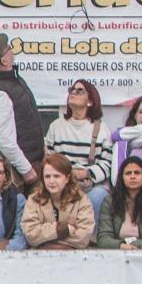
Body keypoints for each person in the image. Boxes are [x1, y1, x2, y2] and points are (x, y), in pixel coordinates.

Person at [0, 34, 42, 189]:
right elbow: (4, 140)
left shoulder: (8, 80)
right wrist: (26, 170)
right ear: (4, 61)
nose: (12, 51)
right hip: (13, 173)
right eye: (9, 49)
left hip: (23, 163)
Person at [44, 78, 113, 217]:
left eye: (79, 91)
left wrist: (85, 173)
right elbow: (48, 158)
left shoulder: (100, 129)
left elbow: (108, 164)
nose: (73, 93)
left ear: (90, 101)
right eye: (72, 90)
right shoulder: (56, 126)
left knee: (97, 197)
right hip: (61, 182)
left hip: (90, 185)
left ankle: (90, 238)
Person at [16, 154, 95, 250]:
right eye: (47, 176)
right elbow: (31, 235)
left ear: (67, 178)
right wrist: (61, 230)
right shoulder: (34, 199)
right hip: (40, 256)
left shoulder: (81, 200)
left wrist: (47, 239)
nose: (51, 181)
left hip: (73, 256)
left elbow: (83, 237)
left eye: (56, 176)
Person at [97, 156, 142, 250]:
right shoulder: (110, 202)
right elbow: (103, 239)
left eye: (137, 173)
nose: (132, 176)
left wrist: (134, 246)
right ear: (122, 177)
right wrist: (122, 246)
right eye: (128, 173)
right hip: (116, 254)